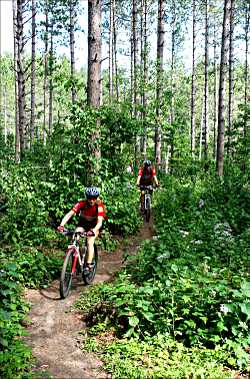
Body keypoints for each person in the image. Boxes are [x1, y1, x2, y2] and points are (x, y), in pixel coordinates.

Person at [57, 186, 105, 270]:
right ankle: (76, 257)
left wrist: (94, 230)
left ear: (96, 198)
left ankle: (88, 264)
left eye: (94, 198)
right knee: (75, 237)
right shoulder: (81, 203)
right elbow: (69, 214)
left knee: (90, 242)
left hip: (94, 227)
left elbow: (100, 221)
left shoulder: (99, 206)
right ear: (87, 198)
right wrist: (61, 225)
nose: (91, 201)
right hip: (83, 225)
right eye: (90, 198)